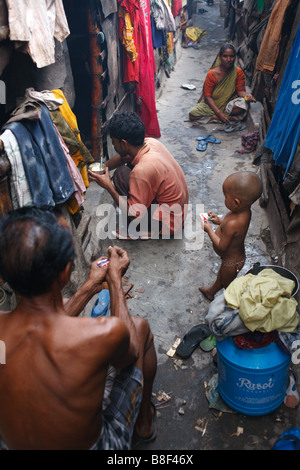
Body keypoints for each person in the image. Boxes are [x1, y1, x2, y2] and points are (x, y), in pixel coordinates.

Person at [0, 207, 157, 450]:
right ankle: (144, 423)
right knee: (140, 327)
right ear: (65, 273)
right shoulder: (101, 334)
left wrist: (90, 285)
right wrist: (114, 279)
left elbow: (44, 325)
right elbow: (130, 352)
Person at [88, 111, 189, 239]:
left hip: (170, 225)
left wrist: (109, 187)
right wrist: (103, 168)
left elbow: (133, 214)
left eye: (114, 143)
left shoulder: (142, 170)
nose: (114, 146)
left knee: (120, 176)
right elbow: (124, 157)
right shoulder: (150, 143)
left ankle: (145, 230)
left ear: (123, 143)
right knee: (123, 171)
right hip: (180, 214)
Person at [199, 171, 262, 301]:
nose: (224, 199)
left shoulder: (234, 222)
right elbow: (233, 232)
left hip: (231, 263)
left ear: (236, 202)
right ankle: (211, 292)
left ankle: (235, 304)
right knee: (221, 277)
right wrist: (219, 222)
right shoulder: (243, 212)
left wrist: (209, 230)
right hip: (233, 259)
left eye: (225, 196)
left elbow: (222, 246)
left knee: (229, 287)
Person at [189, 43, 256, 123]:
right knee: (193, 113)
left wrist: (247, 97)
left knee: (242, 105)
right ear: (220, 57)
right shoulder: (212, 74)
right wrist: (219, 114)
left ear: (235, 57)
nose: (228, 59)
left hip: (228, 104)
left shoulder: (238, 72)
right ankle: (218, 117)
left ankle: (218, 116)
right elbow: (207, 96)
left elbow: (240, 91)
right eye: (225, 56)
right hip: (211, 105)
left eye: (232, 56)